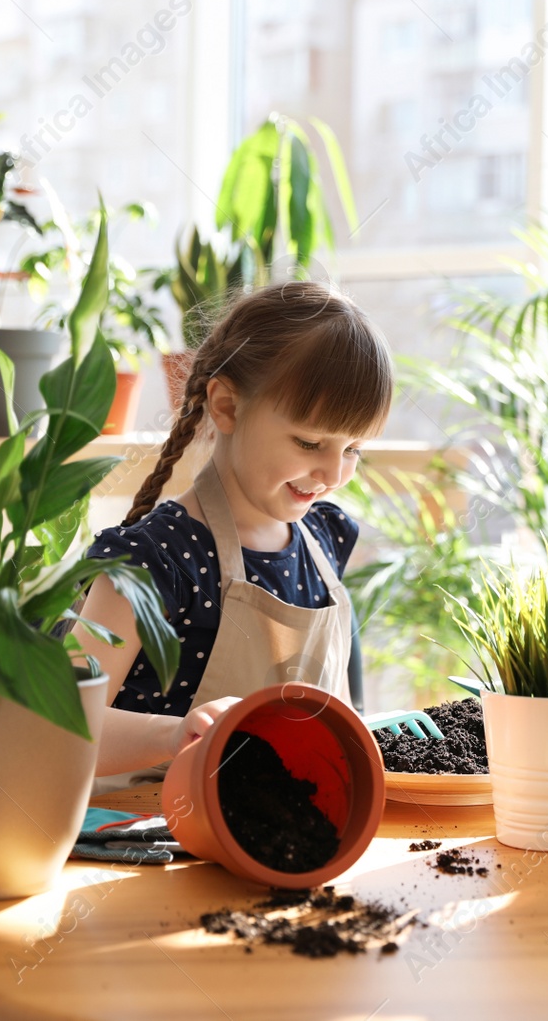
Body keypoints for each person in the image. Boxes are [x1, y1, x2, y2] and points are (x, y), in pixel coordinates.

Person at [73, 280, 394, 795]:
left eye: (353, 448)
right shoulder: (150, 561)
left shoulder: (326, 538)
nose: (334, 472)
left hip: (280, 837)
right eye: (310, 441)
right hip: (146, 843)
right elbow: (61, 727)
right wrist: (175, 733)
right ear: (226, 407)